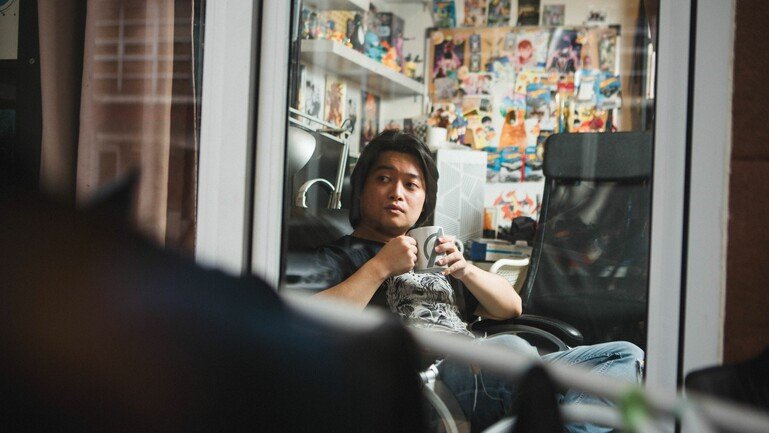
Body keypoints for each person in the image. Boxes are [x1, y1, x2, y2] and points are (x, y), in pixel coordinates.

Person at [314, 130, 644, 433]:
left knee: (624, 355)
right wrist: (381, 265)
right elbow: (313, 320)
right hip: (437, 383)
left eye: (411, 185)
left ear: (424, 201)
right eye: (384, 179)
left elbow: (511, 308)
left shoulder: (435, 255)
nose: (397, 193)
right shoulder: (344, 256)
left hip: (492, 363)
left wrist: (466, 270)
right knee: (512, 349)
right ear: (360, 191)